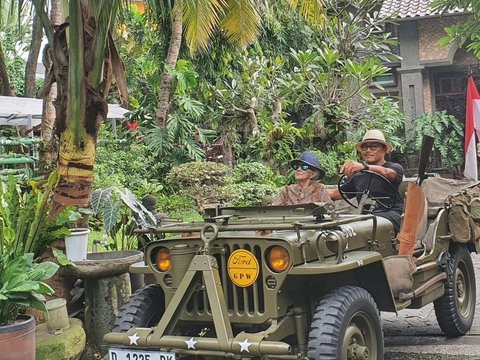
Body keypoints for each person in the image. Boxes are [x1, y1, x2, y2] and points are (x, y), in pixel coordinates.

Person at [328, 129, 404, 233]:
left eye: (373, 147)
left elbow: (388, 173)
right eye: (364, 147)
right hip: (364, 218)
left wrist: (364, 167)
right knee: (338, 227)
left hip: (390, 215)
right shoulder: (359, 175)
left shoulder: (394, 168)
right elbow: (336, 194)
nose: (368, 150)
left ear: (384, 150)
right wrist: (311, 190)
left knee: (366, 224)